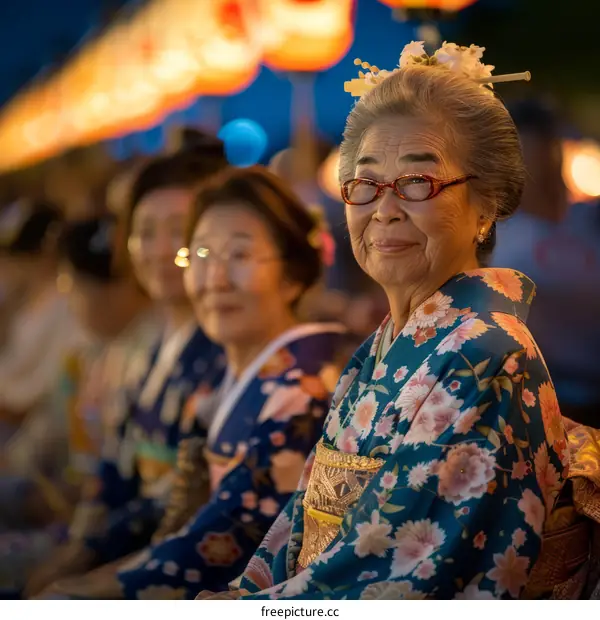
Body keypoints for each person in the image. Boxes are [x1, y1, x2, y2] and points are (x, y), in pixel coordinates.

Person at [203, 41, 568, 600]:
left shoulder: (486, 357)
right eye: (366, 184)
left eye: (418, 183)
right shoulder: (383, 346)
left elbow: (391, 578)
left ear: (487, 206)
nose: (384, 209)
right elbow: (300, 523)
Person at [41, 166, 346, 599]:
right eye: (201, 255)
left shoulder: (301, 388)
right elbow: (171, 504)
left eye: (240, 256)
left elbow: (224, 535)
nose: (216, 280)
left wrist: (89, 589)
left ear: (293, 275)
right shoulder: (222, 380)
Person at [25, 138, 229, 597]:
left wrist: (85, 571)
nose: (159, 249)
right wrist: (79, 545)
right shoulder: (149, 345)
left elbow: (177, 510)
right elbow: (114, 465)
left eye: (178, 230)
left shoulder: (221, 352)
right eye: (144, 231)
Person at [0, 215, 159, 595]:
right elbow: (40, 435)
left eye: (72, 285)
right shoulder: (92, 353)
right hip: (75, 511)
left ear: (116, 289)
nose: (68, 298)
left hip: (102, 528)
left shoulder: (144, 355)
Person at [491, 100, 600, 427]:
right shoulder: (491, 232)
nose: (538, 166)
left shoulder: (590, 220)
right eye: (525, 154)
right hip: (531, 403)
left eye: (547, 150)